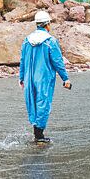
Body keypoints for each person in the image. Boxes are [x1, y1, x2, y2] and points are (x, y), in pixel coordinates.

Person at [19, 10, 72, 143]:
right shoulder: (51, 41)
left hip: (29, 77)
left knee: (32, 102)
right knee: (43, 103)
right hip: (44, 78)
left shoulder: (27, 40)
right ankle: (39, 136)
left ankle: (36, 132)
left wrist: (21, 78)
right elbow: (58, 62)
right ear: (47, 24)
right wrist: (65, 79)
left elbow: (22, 60)